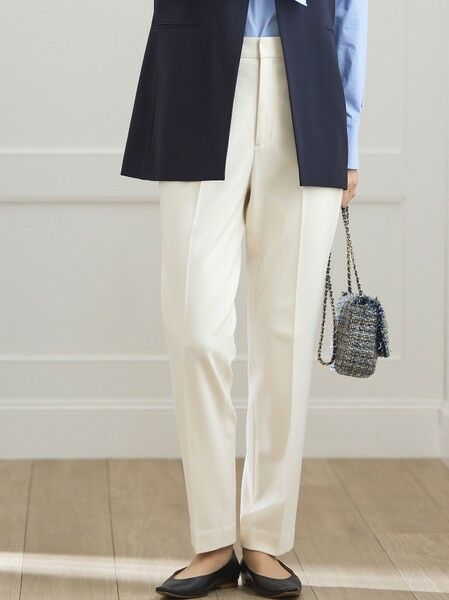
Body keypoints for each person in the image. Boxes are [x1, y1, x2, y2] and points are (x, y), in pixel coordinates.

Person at [121, 0, 368, 596]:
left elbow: (352, 17)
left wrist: (349, 137)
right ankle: (211, 538)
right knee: (196, 331)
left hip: (307, 91)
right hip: (197, 81)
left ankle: (265, 536)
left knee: (287, 335)